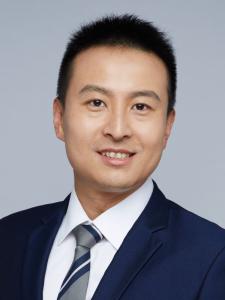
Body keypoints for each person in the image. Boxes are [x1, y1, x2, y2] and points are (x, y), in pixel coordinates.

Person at [0, 14, 225, 300]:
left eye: (141, 106)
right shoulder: (8, 238)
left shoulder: (213, 257)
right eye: (97, 103)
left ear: (167, 126)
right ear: (59, 118)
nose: (118, 130)